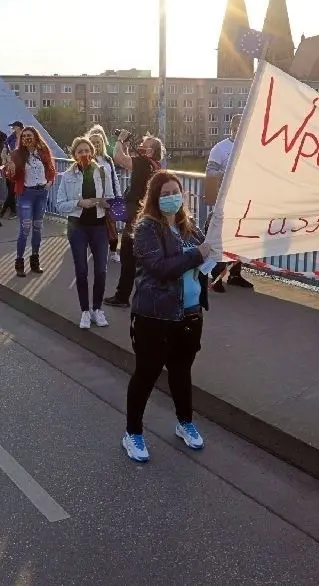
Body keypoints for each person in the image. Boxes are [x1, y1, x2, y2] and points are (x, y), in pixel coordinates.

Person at [122, 170, 212, 462]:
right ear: (155, 198)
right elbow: (160, 268)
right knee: (146, 374)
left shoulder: (189, 227)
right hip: (155, 317)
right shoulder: (147, 228)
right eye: (166, 194)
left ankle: (184, 422)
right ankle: (132, 433)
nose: (173, 198)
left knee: (182, 372)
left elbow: (207, 251)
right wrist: (198, 255)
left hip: (189, 315)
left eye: (177, 192)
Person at [56, 135, 116, 328]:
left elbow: (111, 197)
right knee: (81, 271)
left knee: (100, 270)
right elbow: (59, 205)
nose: (84, 154)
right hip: (77, 227)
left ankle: (97, 309)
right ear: (74, 155)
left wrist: (107, 203)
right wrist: (79, 203)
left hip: (99, 227)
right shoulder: (67, 176)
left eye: (87, 150)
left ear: (92, 152)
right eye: (80, 151)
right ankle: (84, 311)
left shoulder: (103, 171)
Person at [103, 134, 163, 308]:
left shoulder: (143, 163)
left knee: (128, 257)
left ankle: (122, 297)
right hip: (147, 215)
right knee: (140, 259)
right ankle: (148, 297)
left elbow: (118, 158)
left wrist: (120, 140)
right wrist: (127, 146)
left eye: (146, 144)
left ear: (152, 150)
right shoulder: (153, 165)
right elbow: (130, 163)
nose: (142, 145)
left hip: (137, 217)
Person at [204, 118, 253, 291]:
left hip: (244, 201)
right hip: (224, 202)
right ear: (232, 128)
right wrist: (226, 173)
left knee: (239, 238)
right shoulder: (220, 148)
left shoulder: (250, 147)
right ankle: (216, 275)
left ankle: (235, 274)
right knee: (222, 239)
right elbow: (210, 171)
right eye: (237, 127)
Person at [6, 125, 55, 277]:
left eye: (30, 135)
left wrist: (49, 182)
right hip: (26, 194)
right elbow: (11, 177)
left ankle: (35, 260)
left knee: (37, 228)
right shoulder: (17, 154)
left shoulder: (43, 152)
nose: (27, 138)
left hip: (41, 193)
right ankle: (19, 261)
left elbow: (51, 169)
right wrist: (11, 169)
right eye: (24, 135)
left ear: (35, 137)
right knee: (25, 229)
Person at [87, 127, 122, 262]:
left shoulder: (108, 159)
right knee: (96, 226)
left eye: (98, 142)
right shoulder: (88, 160)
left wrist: (118, 195)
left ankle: (113, 252)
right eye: (93, 142)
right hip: (95, 199)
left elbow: (115, 179)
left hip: (109, 198)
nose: (96, 144)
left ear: (102, 143)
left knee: (112, 225)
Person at [0, 120, 24, 219]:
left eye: (14, 127)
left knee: (12, 191)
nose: (12, 128)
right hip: (10, 167)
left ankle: (4, 211)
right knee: (10, 190)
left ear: (19, 127)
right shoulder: (11, 138)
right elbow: (4, 149)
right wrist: (5, 158)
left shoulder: (25, 137)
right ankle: (13, 212)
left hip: (20, 168)